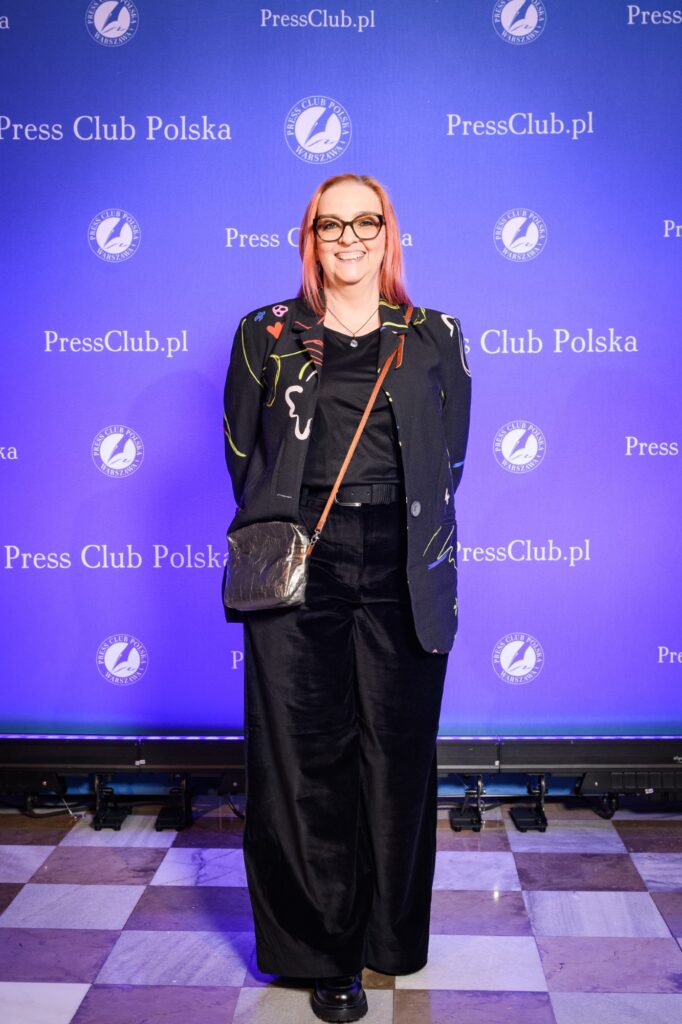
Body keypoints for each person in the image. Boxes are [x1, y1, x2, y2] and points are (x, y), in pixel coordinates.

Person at [222, 173, 471, 1022]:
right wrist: (296, 527)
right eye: (332, 225)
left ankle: (387, 940)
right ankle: (323, 954)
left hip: (405, 563)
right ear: (311, 238)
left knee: (396, 757)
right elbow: (244, 455)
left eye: (366, 222)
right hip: (302, 560)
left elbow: (450, 459)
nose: (350, 238)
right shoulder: (266, 333)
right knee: (303, 760)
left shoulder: (434, 335)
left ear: (388, 233)